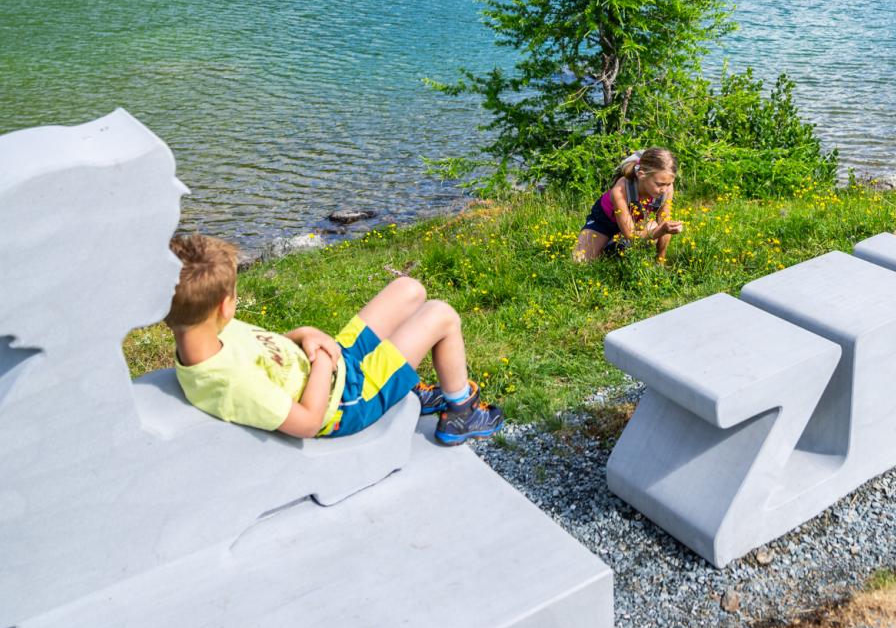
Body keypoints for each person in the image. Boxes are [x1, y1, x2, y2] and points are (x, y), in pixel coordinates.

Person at [165, 234, 503, 445]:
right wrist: (325, 361)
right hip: (346, 401)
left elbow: (270, 351)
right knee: (441, 315)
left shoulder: (211, 333)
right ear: (225, 306)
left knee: (409, 289)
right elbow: (308, 423)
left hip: (332, 366)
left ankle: (408, 388)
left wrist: (305, 334)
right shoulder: (231, 382)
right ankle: (461, 412)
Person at [573, 148, 684, 263]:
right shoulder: (620, 190)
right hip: (604, 222)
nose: (664, 190)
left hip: (635, 223)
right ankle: (610, 246)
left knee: (653, 226)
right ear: (641, 175)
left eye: (669, 184)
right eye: (659, 184)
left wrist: (660, 261)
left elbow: (663, 223)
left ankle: (614, 249)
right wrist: (661, 230)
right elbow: (630, 235)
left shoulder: (666, 189)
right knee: (580, 262)